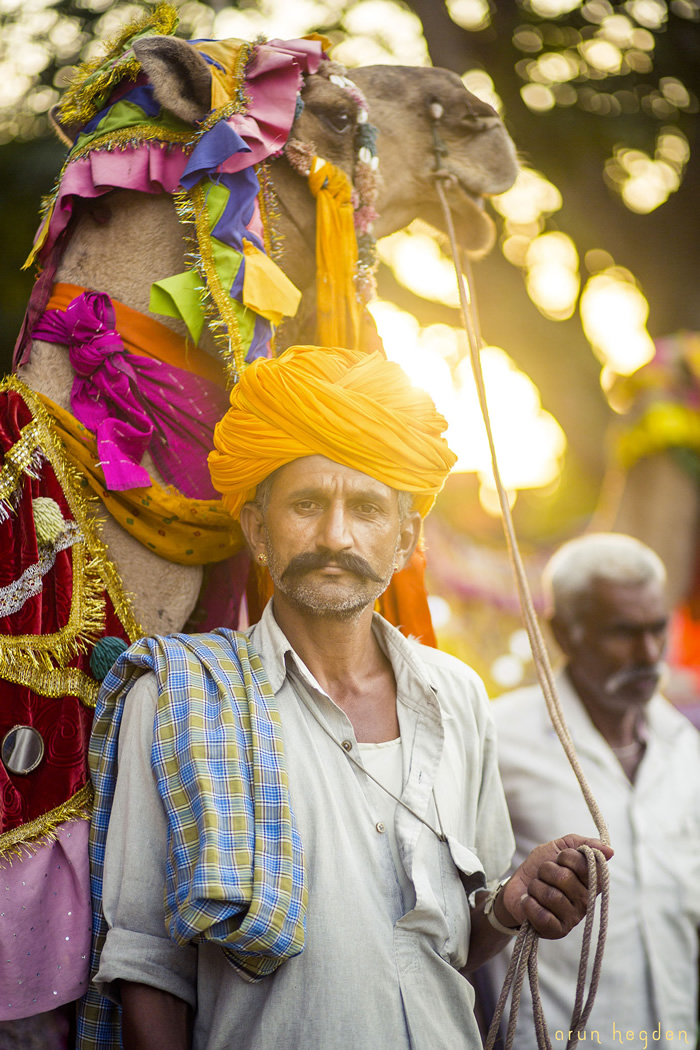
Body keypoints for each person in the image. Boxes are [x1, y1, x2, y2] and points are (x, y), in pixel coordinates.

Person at [78, 346, 611, 1050]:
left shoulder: (457, 696)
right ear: (257, 531)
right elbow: (147, 963)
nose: (335, 536)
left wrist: (515, 902)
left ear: (404, 540)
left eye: (365, 508)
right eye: (305, 505)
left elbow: (455, 936)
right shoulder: (181, 697)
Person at [481, 532, 700, 1049]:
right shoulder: (499, 740)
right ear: (564, 632)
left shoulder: (686, 749)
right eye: (622, 632)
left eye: (657, 629)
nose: (648, 653)